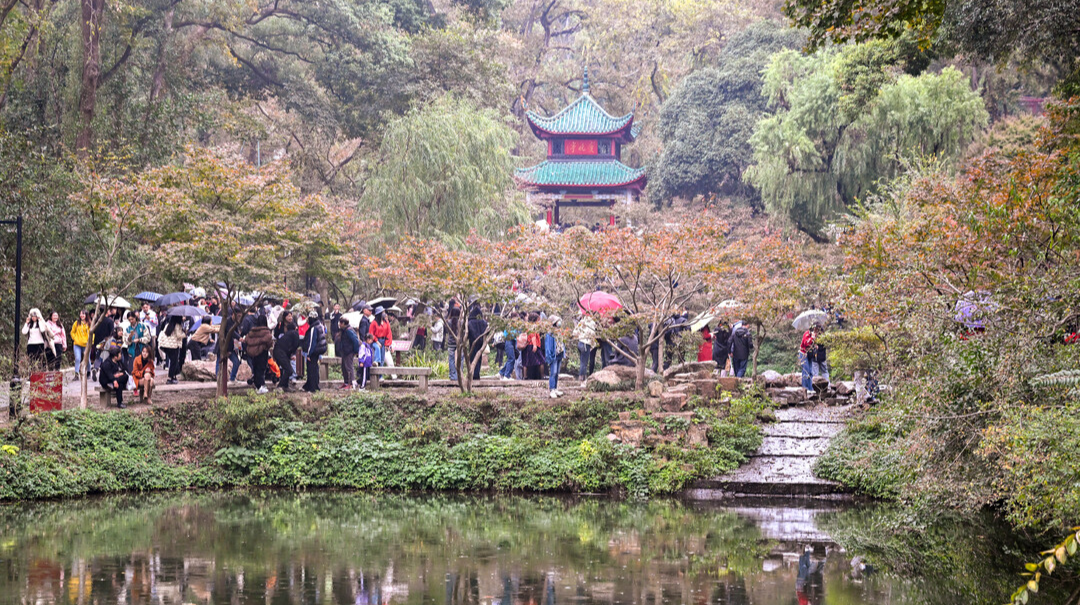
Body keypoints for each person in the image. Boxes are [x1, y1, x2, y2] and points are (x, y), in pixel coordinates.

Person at [244, 315, 274, 394]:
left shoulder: (252, 331)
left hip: (253, 353)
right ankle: (261, 385)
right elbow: (269, 342)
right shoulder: (266, 332)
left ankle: (258, 385)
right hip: (262, 352)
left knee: (255, 368)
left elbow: (246, 339)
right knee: (261, 369)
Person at [273, 318, 301, 392]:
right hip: (281, 352)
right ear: (295, 328)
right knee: (289, 370)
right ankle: (280, 385)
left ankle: (285, 385)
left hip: (278, 351)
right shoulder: (294, 333)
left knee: (286, 369)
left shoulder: (287, 335)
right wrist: (293, 354)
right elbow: (296, 345)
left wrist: (290, 355)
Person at [301, 311, 326, 393]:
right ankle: (309, 385)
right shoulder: (320, 325)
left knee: (311, 369)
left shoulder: (313, 328)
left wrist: (309, 353)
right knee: (314, 368)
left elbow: (312, 342)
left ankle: (313, 387)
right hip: (318, 351)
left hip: (313, 352)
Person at [158, 315, 186, 385]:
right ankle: (170, 377)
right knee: (174, 362)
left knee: (173, 361)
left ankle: (173, 376)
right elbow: (179, 336)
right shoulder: (178, 325)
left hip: (167, 346)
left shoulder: (169, 324)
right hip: (174, 346)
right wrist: (185, 334)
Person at [90, 307, 115, 381]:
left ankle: (95, 368)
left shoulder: (97, 320)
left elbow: (93, 331)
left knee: (98, 357)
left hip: (97, 342)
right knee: (105, 358)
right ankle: (105, 373)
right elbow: (112, 332)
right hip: (106, 342)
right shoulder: (110, 321)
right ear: (107, 311)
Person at [573, 313, 597, 387]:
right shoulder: (592, 323)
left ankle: (581, 379)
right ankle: (582, 381)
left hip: (580, 343)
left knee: (582, 362)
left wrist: (580, 336)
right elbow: (593, 334)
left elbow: (575, 333)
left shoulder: (582, 321)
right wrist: (593, 345)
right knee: (584, 363)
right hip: (586, 344)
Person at [544, 315, 565, 399]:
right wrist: (549, 356)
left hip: (559, 353)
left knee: (557, 373)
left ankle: (555, 388)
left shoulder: (559, 332)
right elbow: (548, 346)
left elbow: (562, 343)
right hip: (554, 355)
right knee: (553, 372)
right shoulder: (550, 333)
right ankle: (552, 389)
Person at [337, 316, 360, 389]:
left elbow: (355, 341)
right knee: (344, 367)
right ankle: (346, 382)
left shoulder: (349, 330)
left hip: (349, 351)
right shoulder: (343, 330)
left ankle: (351, 383)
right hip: (344, 351)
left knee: (349, 367)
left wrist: (356, 351)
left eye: (340, 323)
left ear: (343, 323)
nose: (339, 324)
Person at [466, 306, 488, 380]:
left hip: (472, 342)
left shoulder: (470, 322)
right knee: (479, 358)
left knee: (472, 358)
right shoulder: (484, 322)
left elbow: (468, 333)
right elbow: (487, 331)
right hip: (481, 342)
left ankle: (473, 374)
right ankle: (477, 374)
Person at [71, 310, 91, 381]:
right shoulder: (76, 323)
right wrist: (75, 338)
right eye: (81, 314)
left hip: (86, 344)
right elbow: (72, 332)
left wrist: (91, 341)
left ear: (86, 315)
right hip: (77, 344)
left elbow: (92, 333)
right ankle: (76, 374)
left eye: (83, 314)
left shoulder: (89, 323)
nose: (82, 315)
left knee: (87, 359)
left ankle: (88, 372)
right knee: (78, 358)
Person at [798, 326, 816, 393]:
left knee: (811, 371)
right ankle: (805, 388)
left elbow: (813, 344)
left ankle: (810, 388)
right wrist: (812, 338)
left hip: (809, 355)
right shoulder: (806, 334)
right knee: (806, 371)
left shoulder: (814, 335)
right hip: (803, 354)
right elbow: (806, 343)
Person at [447, 304, 461, 380]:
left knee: (451, 359)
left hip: (451, 343)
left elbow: (447, 331)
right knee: (460, 359)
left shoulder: (448, 322)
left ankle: (452, 376)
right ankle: (459, 375)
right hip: (459, 342)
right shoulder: (461, 322)